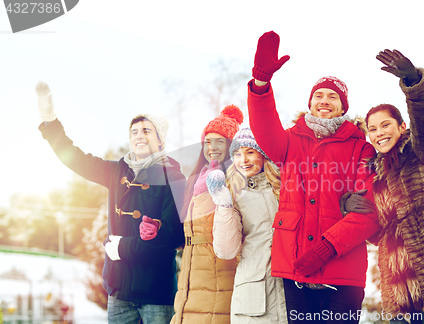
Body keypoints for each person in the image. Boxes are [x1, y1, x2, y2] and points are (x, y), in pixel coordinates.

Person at [247, 31, 381, 323]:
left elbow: (369, 210)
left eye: (333, 96)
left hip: (343, 271)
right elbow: (264, 128)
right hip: (294, 267)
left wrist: (327, 247)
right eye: (318, 95)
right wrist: (261, 83)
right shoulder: (290, 141)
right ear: (309, 103)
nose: (324, 100)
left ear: (343, 107)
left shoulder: (362, 149)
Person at [35, 81, 186, 324]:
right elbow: (76, 159)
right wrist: (50, 122)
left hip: (157, 292)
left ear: (161, 142)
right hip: (119, 291)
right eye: (134, 132)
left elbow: (174, 236)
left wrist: (122, 247)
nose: (138, 136)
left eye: (146, 131)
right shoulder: (117, 172)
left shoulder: (175, 178)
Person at [344, 49, 424, 323]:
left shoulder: (422, 151)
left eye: (385, 125)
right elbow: (378, 234)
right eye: (373, 129)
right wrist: (351, 207)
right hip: (398, 283)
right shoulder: (376, 177)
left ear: (401, 126)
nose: (379, 133)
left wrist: (414, 84)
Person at [206, 127, 287, 323]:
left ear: (264, 155)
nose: (244, 160)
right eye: (237, 154)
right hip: (254, 295)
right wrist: (224, 206)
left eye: (250, 152)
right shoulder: (233, 194)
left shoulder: (284, 187)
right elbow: (226, 251)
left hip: (290, 291)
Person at [171, 105, 243, 324]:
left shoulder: (235, 179)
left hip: (218, 272)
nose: (212, 147)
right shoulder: (196, 180)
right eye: (207, 141)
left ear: (232, 146)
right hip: (190, 273)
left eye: (220, 141)